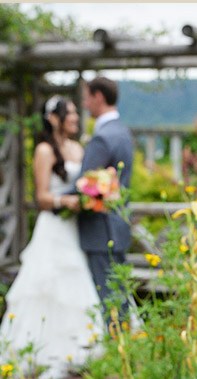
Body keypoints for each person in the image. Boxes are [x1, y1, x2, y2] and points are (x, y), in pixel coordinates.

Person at [0, 97, 104, 379]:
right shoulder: (44, 150)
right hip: (53, 226)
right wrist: (69, 202)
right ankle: (43, 353)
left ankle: (77, 352)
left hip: (74, 228)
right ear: (54, 118)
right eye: (71, 114)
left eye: (77, 114)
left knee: (75, 288)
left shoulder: (77, 148)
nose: (76, 119)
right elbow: (41, 197)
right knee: (47, 288)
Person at [62, 76, 135, 325]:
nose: (84, 104)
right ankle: (123, 350)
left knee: (108, 297)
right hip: (118, 224)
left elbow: (86, 185)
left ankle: (118, 351)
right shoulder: (123, 133)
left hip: (101, 228)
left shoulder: (102, 137)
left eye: (86, 97)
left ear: (99, 97)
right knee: (118, 294)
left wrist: (56, 201)